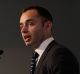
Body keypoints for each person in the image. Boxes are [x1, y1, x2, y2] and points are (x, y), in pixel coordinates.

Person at [19, 5, 79, 74]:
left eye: (30, 24)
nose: (23, 30)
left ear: (48, 26)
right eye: (21, 26)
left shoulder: (60, 55)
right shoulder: (39, 57)